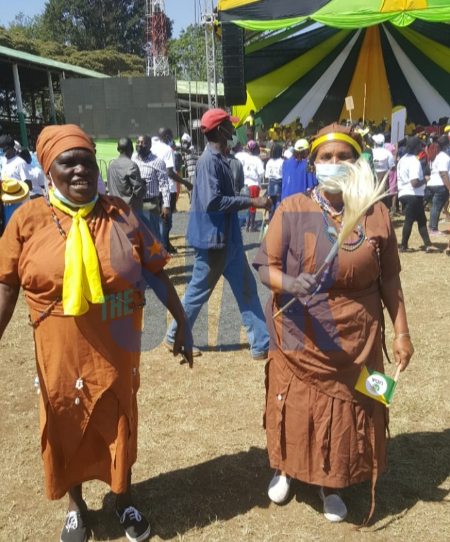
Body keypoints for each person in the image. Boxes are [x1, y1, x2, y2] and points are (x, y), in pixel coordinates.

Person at [0, 124, 193, 542]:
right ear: (48, 169)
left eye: (87, 161)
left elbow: (155, 273)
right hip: (59, 351)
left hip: (115, 350)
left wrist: (181, 320)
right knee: (67, 418)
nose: (80, 170)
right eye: (68, 162)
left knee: (117, 421)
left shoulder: (120, 214)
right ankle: (76, 506)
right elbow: (6, 284)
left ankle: (124, 499)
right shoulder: (26, 220)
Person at [253, 122, 414, 524]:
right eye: (327, 157)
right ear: (313, 163)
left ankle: (334, 482)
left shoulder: (374, 212)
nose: (335, 163)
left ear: (358, 162)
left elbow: (389, 277)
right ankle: (287, 468)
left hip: (359, 339)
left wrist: (402, 332)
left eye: (345, 156)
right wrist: (291, 282)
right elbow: (264, 266)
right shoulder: (292, 209)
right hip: (301, 336)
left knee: (350, 410)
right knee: (298, 406)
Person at [164, 108, 272, 360]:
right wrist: (252, 202)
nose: (234, 131)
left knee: (247, 288)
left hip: (229, 240)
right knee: (198, 291)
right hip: (213, 242)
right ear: (219, 130)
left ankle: (262, 344)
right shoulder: (207, 162)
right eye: (229, 126)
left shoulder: (220, 158)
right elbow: (213, 202)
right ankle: (173, 336)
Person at [152, 128, 193, 253]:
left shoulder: (152, 148)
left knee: (159, 218)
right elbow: (169, 172)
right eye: (171, 136)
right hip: (168, 189)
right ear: (168, 136)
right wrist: (186, 183)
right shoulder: (167, 149)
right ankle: (164, 246)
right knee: (167, 220)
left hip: (155, 189)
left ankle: (163, 244)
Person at [397, 136, 440, 253]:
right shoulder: (414, 161)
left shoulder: (402, 160)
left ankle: (428, 244)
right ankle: (403, 245)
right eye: (420, 146)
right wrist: (425, 180)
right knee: (409, 220)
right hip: (413, 194)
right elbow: (415, 182)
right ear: (416, 147)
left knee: (421, 219)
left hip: (403, 193)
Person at [133, 134, 170, 248]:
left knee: (152, 236)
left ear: (149, 145)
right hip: (135, 203)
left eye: (143, 143)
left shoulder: (157, 162)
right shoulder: (133, 159)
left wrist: (166, 204)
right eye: (138, 142)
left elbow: (164, 184)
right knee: (137, 236)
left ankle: (156, 263)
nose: (140, 145)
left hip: (150, 204)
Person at [107, 138, 146, 210]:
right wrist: (143, 183)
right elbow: (138, 191)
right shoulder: (131, 165)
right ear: (132, 148)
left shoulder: (111, 166)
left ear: (118, 149)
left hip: (115, 208)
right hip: (130, 209)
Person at [426, 135, 450, 235]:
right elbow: (443, 174)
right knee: (437, 206)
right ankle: (433, 228)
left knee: (435, 206)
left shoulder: (433, 157)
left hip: (432, 183)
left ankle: (431, 227)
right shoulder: (444, 157)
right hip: (440, 184)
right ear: (445, 146)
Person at [242, 140, 265, 232]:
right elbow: (261, 173)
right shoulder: (257, 160)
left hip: (245, 184)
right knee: (253, 205)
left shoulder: (245, 159)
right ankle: (252, 225)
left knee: (247, 204)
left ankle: (247, 224)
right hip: (254, 184)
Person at [372, 134, 396, 208]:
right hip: (384, 176)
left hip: (373, 175)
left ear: (375, 143)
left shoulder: (372, 151)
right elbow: (392, 166)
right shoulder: (387, 153)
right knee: (383, 194)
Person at [265, 144, 283, 220]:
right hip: (279, 183)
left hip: (271, 183)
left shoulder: (269, 162)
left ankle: (270, 220)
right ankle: (277, 220)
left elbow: (267, 175)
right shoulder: (282, 162)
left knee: (271, 203)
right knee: (278, 202)